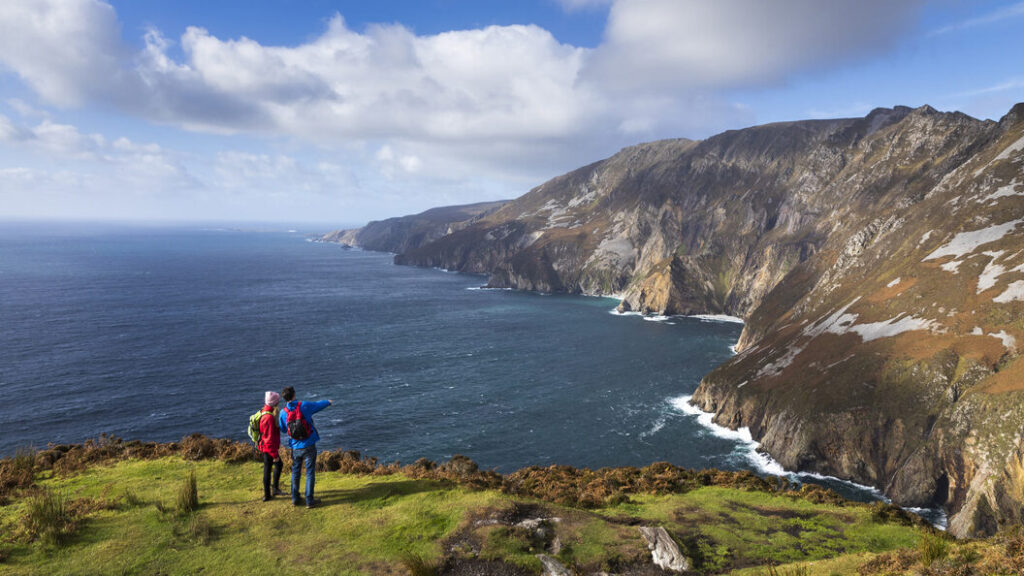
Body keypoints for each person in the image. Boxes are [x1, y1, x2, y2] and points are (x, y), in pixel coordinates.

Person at [278, 386, 332, 508]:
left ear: (284, 398)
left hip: (295, 446)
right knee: (310, 472)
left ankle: (295, 498)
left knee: (295, 472)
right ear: (294, 395)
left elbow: (283, 429)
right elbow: (317, 405)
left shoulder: (282, 413)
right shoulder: (303, 406)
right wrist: (328, 402)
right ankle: (309, 500)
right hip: (309, 444)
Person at [257, 391, 284, 501]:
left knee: (268, 468)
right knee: (274, 467)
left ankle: (269, 493)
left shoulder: (264, 411)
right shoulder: (269, 418)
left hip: (265, 446)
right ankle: (271, 492)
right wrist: (274, 455)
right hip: (268, 448)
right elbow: (269, 438)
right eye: (278, 401)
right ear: (274, 403)